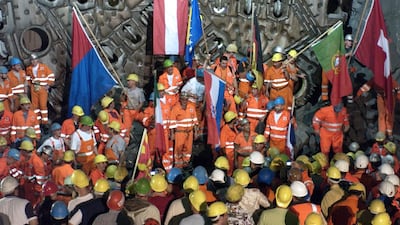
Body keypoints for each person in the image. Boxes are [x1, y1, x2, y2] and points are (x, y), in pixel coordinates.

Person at [170, 92, 198, 168]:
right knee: (178, 149)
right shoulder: (175, 108)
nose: (184, 101)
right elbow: (172, 123)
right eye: (183, 99)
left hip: (190, 133)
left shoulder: (191, 107)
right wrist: (172, 134)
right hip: (180, 133)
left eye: (186, 100)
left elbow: (195, 121)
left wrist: (196, 132)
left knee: (188, 149)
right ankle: (178, 165)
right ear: (180, 99)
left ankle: (186, 163)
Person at [26, 53, 55, 124]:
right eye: (32, 60)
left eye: (35, 60)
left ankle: (44, 122)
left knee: (43, 105)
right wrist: (30, 85)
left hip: (42, 88)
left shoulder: (44, 67)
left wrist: (48, 84)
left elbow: (51, 76)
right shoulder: (29, 69)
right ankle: (37, 121)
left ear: (37, 60)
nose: (33, 61)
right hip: (34, 87)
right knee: (35, 106)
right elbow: (28, 78)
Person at [19, 140, 46, 207]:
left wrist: (37, 190)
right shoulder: (26, 158)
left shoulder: (36, 162)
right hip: (27, 187)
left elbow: (40, 178)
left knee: (32, 206)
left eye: (22, 150)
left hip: (33, 190)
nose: (20, 152)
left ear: (25, 151)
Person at [220, 111, 238, 176]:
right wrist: (225, 156)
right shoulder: (224, 130)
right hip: (229, 154)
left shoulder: (234, 127)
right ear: (232, 120)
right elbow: (222, 145)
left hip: (234, 153)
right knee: (229, 171)